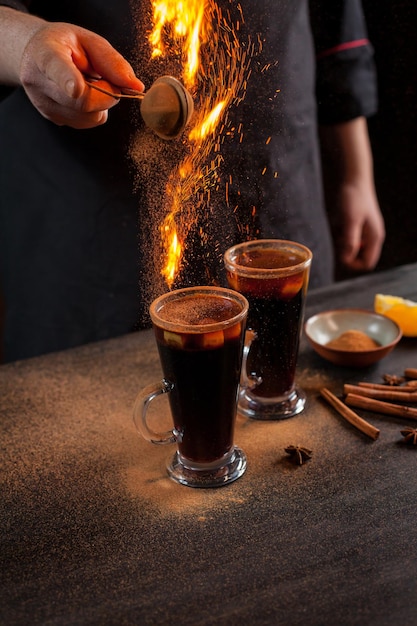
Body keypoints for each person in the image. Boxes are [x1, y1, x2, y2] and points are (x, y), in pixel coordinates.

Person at [0, 0, 385, 362]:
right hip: (85, 212)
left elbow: (336, 19)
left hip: (276, 180)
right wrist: (27, 44)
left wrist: (357, 173)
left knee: (276, 376)